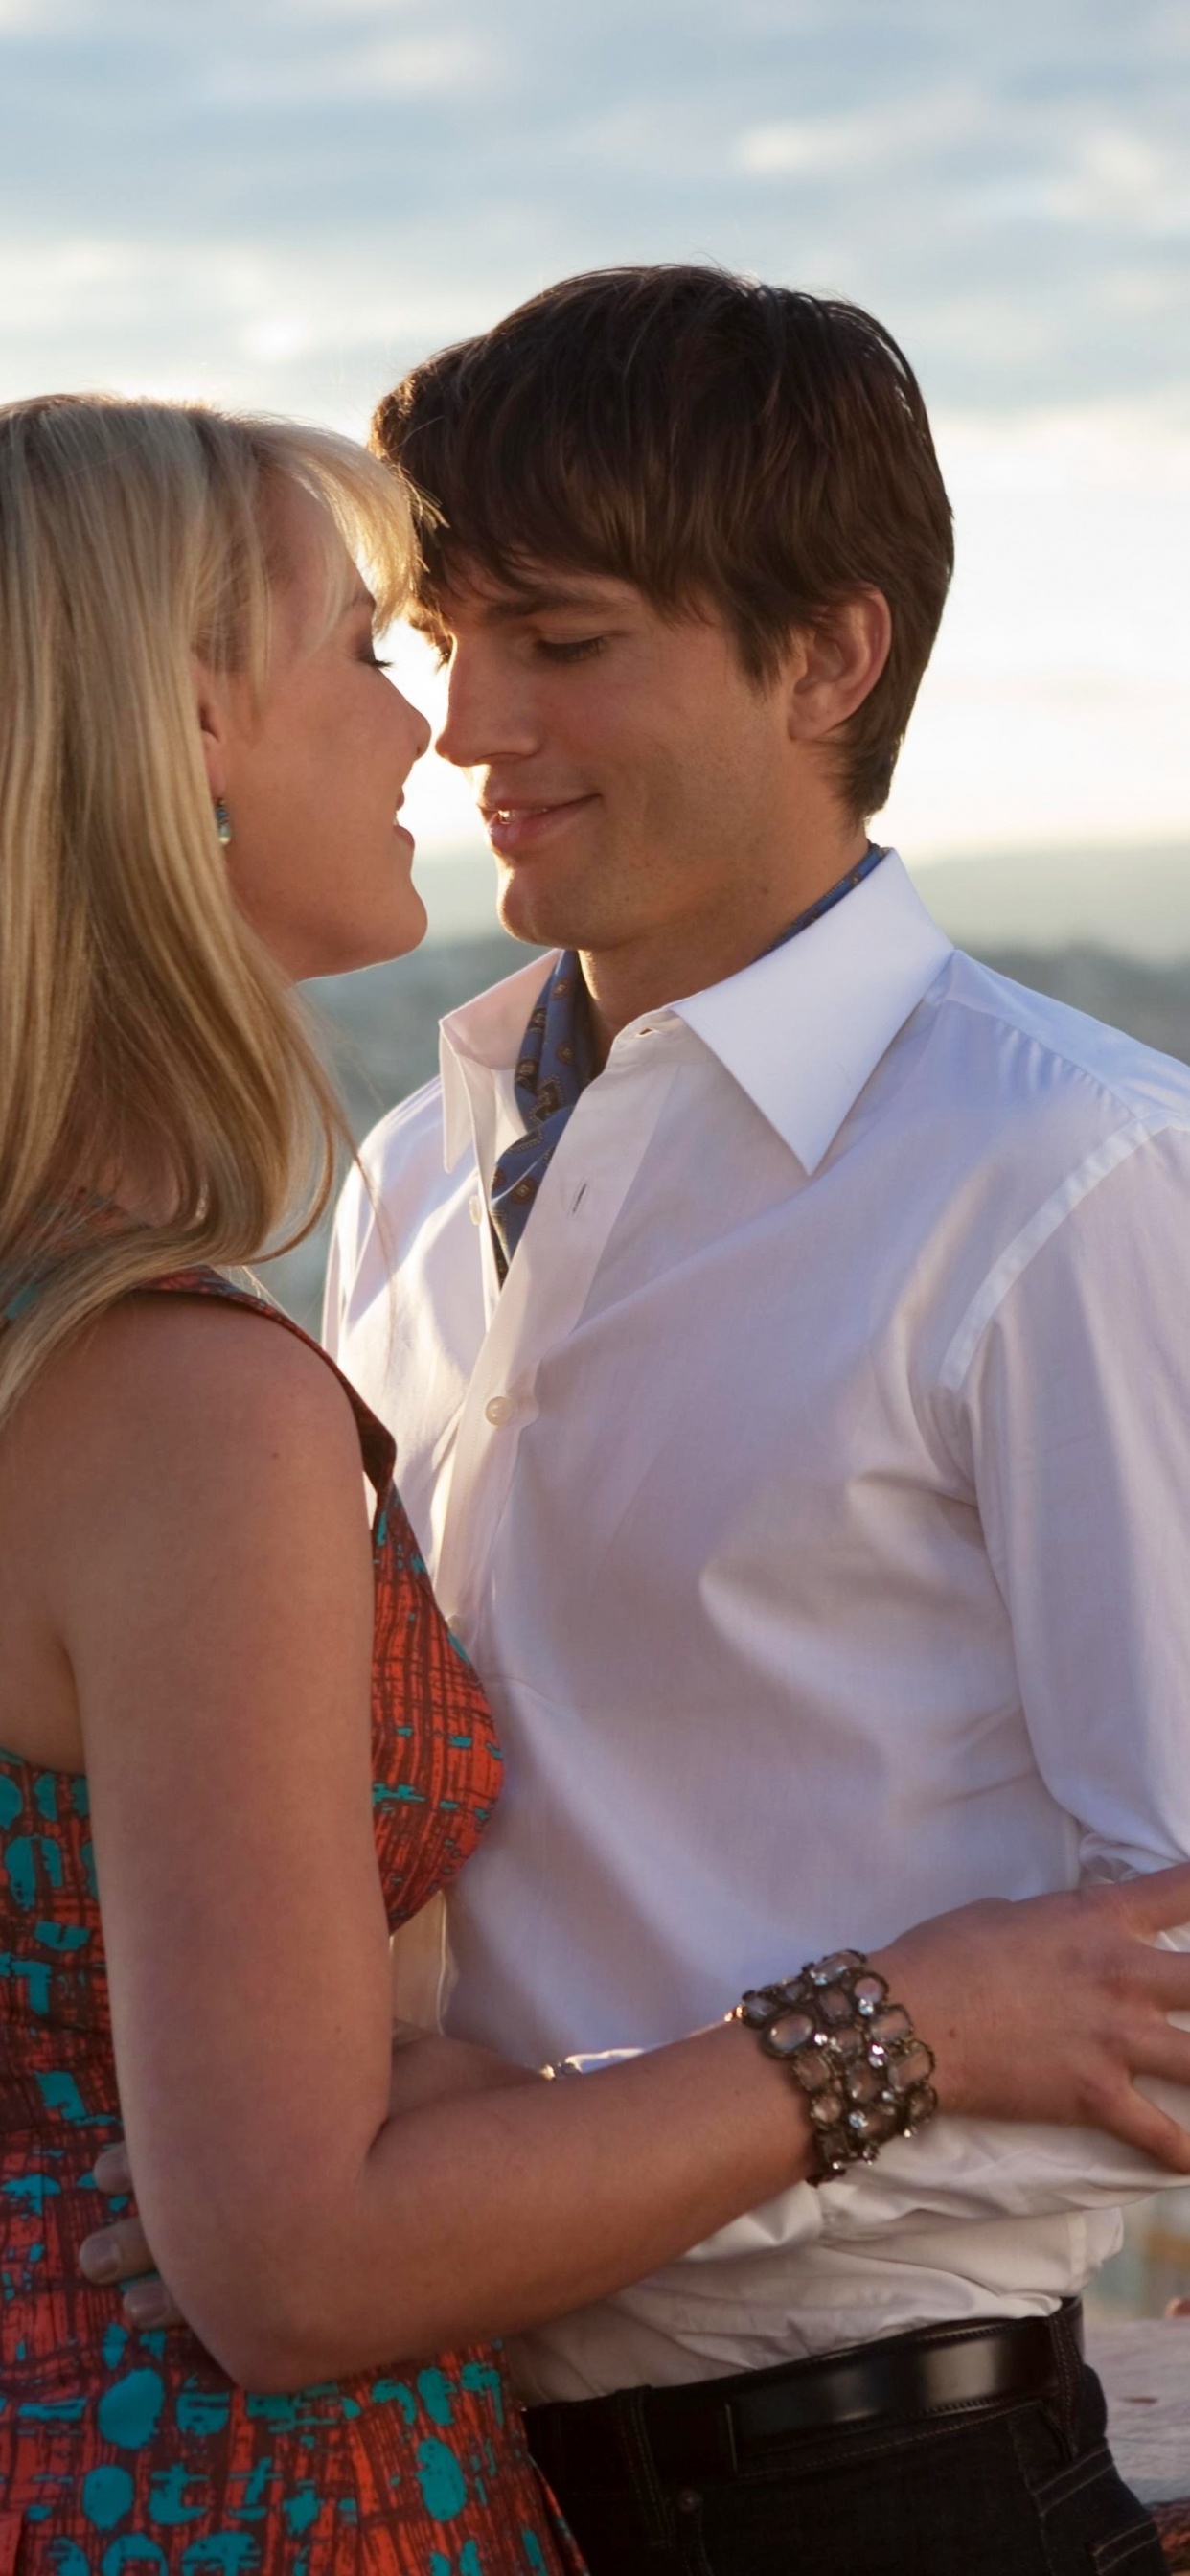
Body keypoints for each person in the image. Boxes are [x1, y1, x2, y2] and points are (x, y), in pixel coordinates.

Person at [9, 397, 1189, 2574]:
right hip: (349, 2449)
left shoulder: (1071, 1175)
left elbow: (1153, 1963)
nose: (458, 723)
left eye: (552, 642)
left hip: (859, 2476)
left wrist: (485, 2158)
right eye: (411, 642)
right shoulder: (383, 1200)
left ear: (826, 658)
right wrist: (361, 2181)